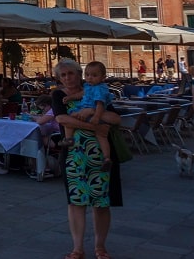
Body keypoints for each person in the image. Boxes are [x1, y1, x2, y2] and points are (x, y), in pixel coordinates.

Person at [53, 60, 122, 259]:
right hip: (74, 157)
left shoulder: (95, 90)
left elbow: (116, 119)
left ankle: (100, 247)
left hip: (101, 156)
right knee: (76, 202)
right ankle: (77, 248)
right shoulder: (59, 95)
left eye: (71, 73)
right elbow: (61, 119)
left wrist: (92, 111)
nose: (67, 78)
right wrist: (97, 127)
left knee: (101, 203)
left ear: (79, 74)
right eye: (63, 75)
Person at [62, 61, 114, 167]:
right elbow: (81, 94)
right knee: (101, 136)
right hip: (88, 115)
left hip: (95, 115)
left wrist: (96, 116)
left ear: (103, 77)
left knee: (70, 119)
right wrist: (71, 97)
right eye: (87, 75)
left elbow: (100, 104)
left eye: (94, 75)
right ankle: (107, 157)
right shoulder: (89, 87)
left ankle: (68, 139)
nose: (90, 78)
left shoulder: (100, 89)